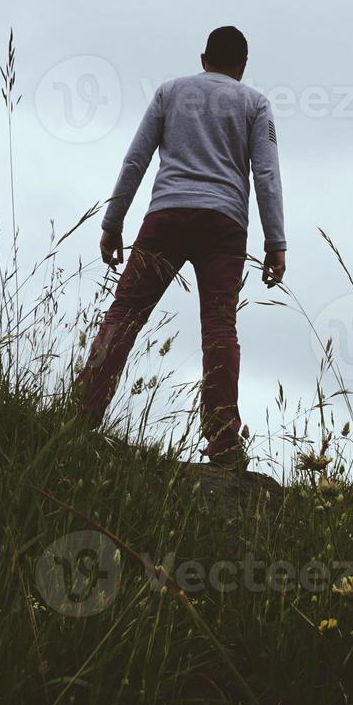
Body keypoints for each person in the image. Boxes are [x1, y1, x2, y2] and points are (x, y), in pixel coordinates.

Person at [72, 26, 287, 469]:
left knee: (125, 313)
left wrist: (113, 223)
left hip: (165, 217)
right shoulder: (254, 103)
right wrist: (275, 242)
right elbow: (266, 175)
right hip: (225, 224)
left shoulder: (170, 92)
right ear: (242, 67)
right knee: (219, 327)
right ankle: (224, 443)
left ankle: (80, 417)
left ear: (204, 58)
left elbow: (136, 158)